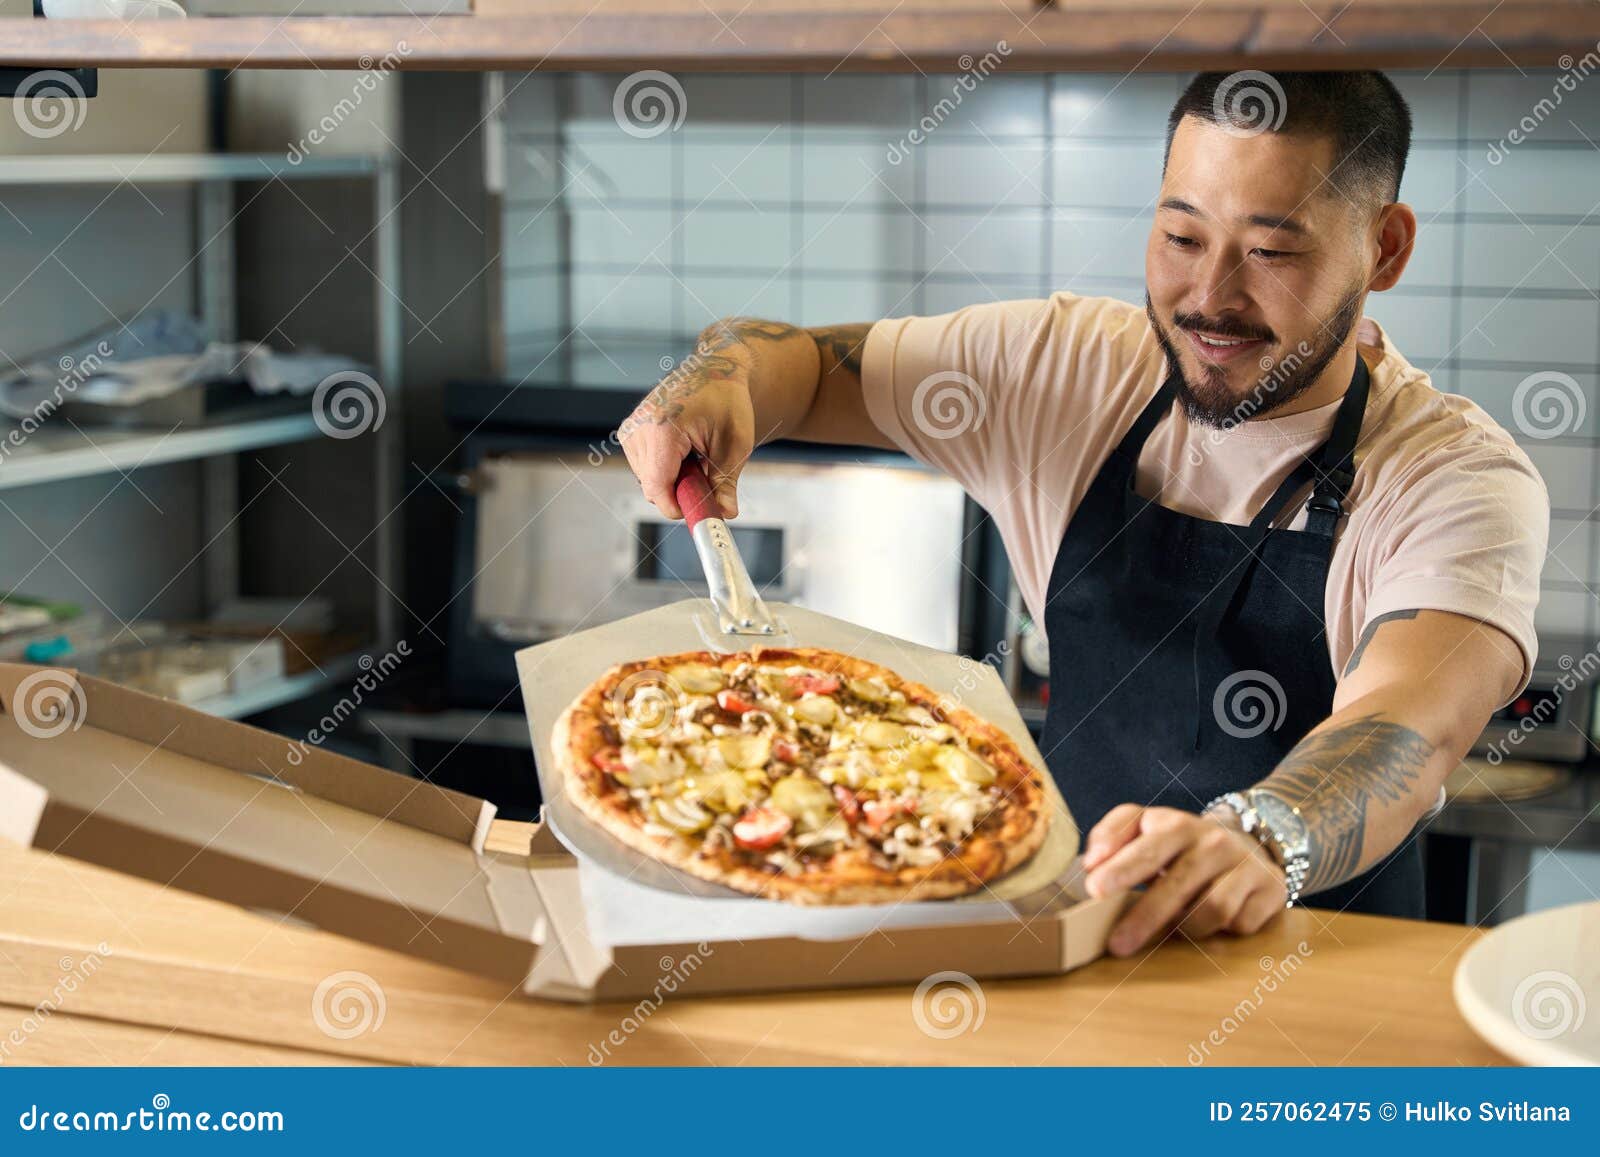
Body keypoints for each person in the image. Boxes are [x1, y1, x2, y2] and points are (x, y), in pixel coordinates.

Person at [619, 71, 1549, 954]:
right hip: (1074, 951)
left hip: (1328, 1001)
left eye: (1271, 251)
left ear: (1384, 247)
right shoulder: (1066, 367)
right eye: (1182, 239)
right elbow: (801, 360)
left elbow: (1405, 727)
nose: (1211, 297)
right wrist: (720, 374)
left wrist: (1263, 835)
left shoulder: (1454, 478)